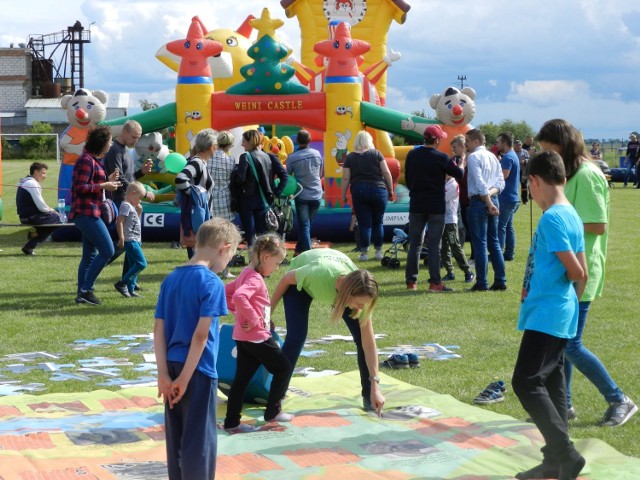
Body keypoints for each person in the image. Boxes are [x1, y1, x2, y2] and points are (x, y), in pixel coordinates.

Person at [536, 119, 637, 428]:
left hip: (583, 270)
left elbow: (597, 224)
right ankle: (563, 406)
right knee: (562, 342)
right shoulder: (569, 174)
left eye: (548, 150)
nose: (546, 157)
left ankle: (619, 399)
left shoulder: (589, 175)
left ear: (563, 145)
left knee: (569, 344)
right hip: (566, 269)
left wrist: (557, 223)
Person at [511, 150, 588, 480]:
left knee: (525, 382)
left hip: (549, 313)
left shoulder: (554, 218)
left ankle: (567, 455)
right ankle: (555, 460)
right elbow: (583, 274)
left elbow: (575, 269)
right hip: (558, 311)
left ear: (535, 181)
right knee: (552, 381)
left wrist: (556, 302)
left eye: (531, 189)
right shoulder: (571, 214)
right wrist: (568, 305)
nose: (534, 198)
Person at [154, 218, 242, 480]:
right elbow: (201, 336)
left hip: (171, 365)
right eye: (232, 256)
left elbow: (159, 330)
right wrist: (184, 378)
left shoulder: (171, 278)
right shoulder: (212, 282)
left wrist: (164, 375)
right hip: (198, 370)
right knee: (199, 441)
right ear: (224, 248)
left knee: (177, 438)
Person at [270, 248, 385, 416]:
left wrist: (375, 386)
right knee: (296, 337)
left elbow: (368, 344)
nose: (362, 308)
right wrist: (267, 314)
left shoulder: (362, 294)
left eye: (364, 304)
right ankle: (275, 397)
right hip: (301, 278)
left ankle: (369, 397)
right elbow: (286, 279)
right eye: (359, 304)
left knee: (362, 339)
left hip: (338, 271)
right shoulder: (317, 274)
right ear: (347, 294)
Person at [223, 233, 293, 433]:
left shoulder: (246, 273)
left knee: (241, 380)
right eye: (278, 263)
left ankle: (232, 422)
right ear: (266, 258)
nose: (277, 268)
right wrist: (253, 320)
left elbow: (228, 293)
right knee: (283, 369)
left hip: (244, 337)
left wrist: (242, 314)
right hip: (256, 337)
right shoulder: (254, 279)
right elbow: (238, 295)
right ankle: (273, 411)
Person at [404, 125, 463, 292]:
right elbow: (459, 174)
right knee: (434, 245)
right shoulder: (442, 158)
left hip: (416, 204)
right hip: (436, 206)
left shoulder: (412, 155)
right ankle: (435, 282)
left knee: (415, 243)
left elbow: (408, 179)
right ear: (436, 140)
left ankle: (411, 282)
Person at [69, 126, 121, 306]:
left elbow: (93, 183)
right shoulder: (85, 160)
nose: (111, 144)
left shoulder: (93, 160)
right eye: (109, 141)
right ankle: (86, 290)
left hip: (91, 211)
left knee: (89, 255)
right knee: (108, 250)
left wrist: (108, 180)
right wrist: (103, 185)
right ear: (102, 143)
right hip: (85, 213)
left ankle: (81, 294)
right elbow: (80, 187)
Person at [104, 120, 154, 284]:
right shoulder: (114, 151)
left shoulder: (125, 149)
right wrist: (143, 192)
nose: (136, 141)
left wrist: (141, 172)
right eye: (134, 137)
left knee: (131, 242)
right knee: (124, 243)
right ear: (124, 132)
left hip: (129, 201)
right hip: (120, 201)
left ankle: (129, 280)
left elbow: (130, 178)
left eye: (138, 138)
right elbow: (120, 180)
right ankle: (96, 268)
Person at [341, 130, 394, 261]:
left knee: (364, 224)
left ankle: (364, 253)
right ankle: (378, 251)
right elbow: (386, 173)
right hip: (379, 190)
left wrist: (343, 194)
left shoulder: (350, 157)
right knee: (378, 222)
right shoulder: (377, 154)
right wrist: (391, 190)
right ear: (369, 141)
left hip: (359, 190)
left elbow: (346, 178)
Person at [465, 128, 507, 291]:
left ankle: (482, 282)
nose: (466, 145)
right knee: (494, 242)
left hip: (479, 201)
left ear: (476, 141)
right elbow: (500, 183)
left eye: (468, 142)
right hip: (493, 198)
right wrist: (491, 197)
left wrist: (487, 201)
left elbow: (480, 182)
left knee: (480, 243)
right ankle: (500, 280)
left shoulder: (474, 157)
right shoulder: (493, 157)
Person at [231, 129, 286, 245]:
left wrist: (233, 176)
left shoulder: (245, 157)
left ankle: (253, 259)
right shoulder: (267, 156)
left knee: (250, 234)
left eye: (244, 142)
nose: (242, 144)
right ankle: (262, 259)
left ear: (250, 142)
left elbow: (240, 179)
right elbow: (282, 175)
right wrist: (276, 191)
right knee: (263, 234)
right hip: (264, 199)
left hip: (248, 199)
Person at [176, 128, 216, 258]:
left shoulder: (199, 162)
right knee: (198, 255)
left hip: (199, 215)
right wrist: (196, 196)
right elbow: (181, 179)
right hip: (197, 217)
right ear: (211, 147)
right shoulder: (197, 162)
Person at [286, 129, 324, 255]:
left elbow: (289, 178)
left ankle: (306, 253)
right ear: (310, 140)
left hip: (301, 194)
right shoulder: (317, 154)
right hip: (317, 194)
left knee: (305, 225)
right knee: (306, 225)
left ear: (297, 141)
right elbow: (321, 173)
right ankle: (298, 250)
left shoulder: (292, 158)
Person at [16, 162, 62, 255]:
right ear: (36, 172)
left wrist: (49, 209)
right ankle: (31, 242)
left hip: (25, 217)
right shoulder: (32, 183)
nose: (45, 176)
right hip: (31, 217)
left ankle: (30, 243)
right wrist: (51, 210)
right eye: (43, 173)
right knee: (58, 218)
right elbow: (42, 207)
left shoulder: (25, 181)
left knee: (53, 220)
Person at [208, 130, 237, 279]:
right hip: (225, 200)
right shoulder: (231, 161)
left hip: (210, 200)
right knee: (227, 238)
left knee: (213, 236)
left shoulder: (209, 159)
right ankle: (225, 270)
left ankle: (211, 266)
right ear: (230, 145)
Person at [113, 182, 147, 298]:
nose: (140, 201)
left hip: (135, 240)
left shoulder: (131, 207)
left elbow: (132, 223)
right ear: (133, 193)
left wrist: (139, 212)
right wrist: (122, 238)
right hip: (130, 241)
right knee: (141, 264)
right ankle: (122, 283)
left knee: (134, 264)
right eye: (140, 198)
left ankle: (131, 290)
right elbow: (119, 222)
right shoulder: (126, 205)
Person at [440, 174, 474, 283]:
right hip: (442, 219)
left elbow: (442, 198)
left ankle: (468, 271)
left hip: (450, 220)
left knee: (454, 245)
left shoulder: (453, 184)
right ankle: (449, 272)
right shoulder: (445, 183)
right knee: (444, 247)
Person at [496, 132, 521, 261]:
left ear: (504, 143)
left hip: (506, 197)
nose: (497, 145)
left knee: (501, 226)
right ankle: (509, 254)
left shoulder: (507, 157)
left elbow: (504, 176)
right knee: (508, 226)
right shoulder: (513, 156)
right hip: (513, 197)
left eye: (498, 142)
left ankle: (498, 254)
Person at [514, 140, 531, 205]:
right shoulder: (512, 152)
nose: (518, 147)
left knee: (524, 186)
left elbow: (529, 159)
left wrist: (525, 161)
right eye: (517, 146)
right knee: (515, 185)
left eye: (519, 146)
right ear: (514, 146)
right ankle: (516, 199)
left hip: (523, 171)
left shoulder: (525, 152)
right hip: (515, 171)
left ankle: (525, 200)